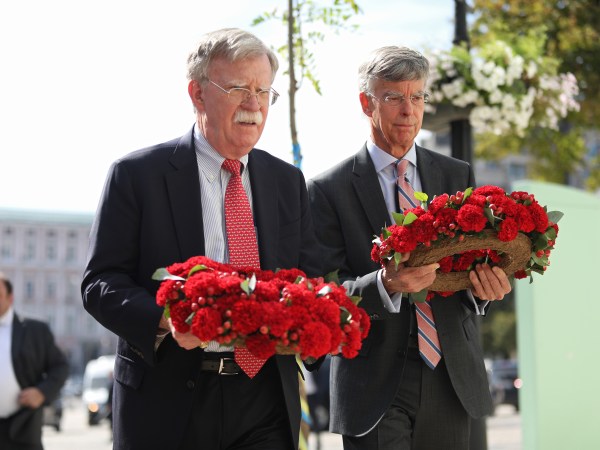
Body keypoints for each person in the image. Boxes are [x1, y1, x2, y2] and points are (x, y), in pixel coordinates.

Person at [81, 28, 322, 450]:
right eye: (238, 88)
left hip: (264, 397)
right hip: (168, 401)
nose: (254, 104)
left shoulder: (287, 181)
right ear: (197, 94)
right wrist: (166, 319)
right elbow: (100, 283)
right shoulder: (136, 175)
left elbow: (310, 274)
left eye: (264, 90)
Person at [307, 46, 512, 450]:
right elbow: (323, 294)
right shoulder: (326, 190)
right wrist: (385, 284)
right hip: (375, 382)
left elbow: (468, 269)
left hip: (451, 377)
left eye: (417, 97)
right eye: (394, 97)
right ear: (367, 103)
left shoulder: (457, 174)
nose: (408, 109)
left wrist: (484, 290)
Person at [0, 272, 69, 450]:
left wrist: (41, 392)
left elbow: (60, 367)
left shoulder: (35, 330)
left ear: (10, 297)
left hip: (23, 428)